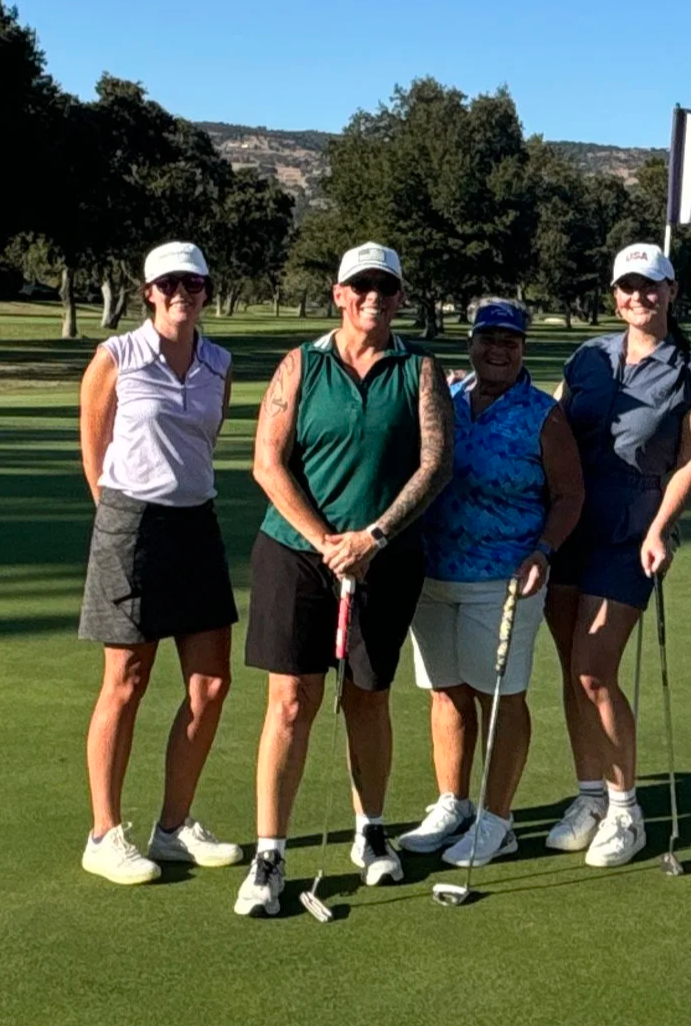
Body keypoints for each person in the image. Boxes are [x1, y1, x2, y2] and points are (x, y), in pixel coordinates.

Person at [232, 243, 453, 918]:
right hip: (296, 554)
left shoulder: (419, 368)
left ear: (399, 296)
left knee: (368, 694)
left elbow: (435, 462)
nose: (373, 297)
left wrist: (373, 535)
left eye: (385, 286)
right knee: (291, 701)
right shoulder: (301, 363)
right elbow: (267, 463)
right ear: (339, 293)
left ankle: (371, 830)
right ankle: (270, 854)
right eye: (361, 286)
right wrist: (325, 539)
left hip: (383, 555)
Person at [544, 243, 691, 868]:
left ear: (671, 291)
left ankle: (626, 810)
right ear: (614, 294)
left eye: (650, 286)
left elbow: (690, 459)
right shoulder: (588, 357)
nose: (638, 298)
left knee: (595, 668)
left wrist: (662, 528)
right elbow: (553, 426)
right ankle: (589, 796)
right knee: (571, 668)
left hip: (632, 529)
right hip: (569, 523)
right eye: (627, 287)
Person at [76, 241, 244, 884]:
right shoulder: (115, 357)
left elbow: (207, 437)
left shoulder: (218, 363)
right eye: (170, 283)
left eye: (194, 283)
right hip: (130, 524)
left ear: (206, 290)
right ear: (149, 291)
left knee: (211, 683)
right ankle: (103, 834)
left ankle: (173, 828)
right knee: (126, 682)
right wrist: (119, 520)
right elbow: (95, 448)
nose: (183, 293)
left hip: (196, 522)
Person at [398, 299, 586, 867]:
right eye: (488, 339)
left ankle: (497, 819)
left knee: (498, 697)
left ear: (523, 348)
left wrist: (543, 551)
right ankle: (453, 802)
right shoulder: (446, 401)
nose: (497, 349)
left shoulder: (542, 414)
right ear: (472, 343)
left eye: (509, 340)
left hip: (505, 577)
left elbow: (570, 495)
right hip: (433, 572)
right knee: (447, 692)